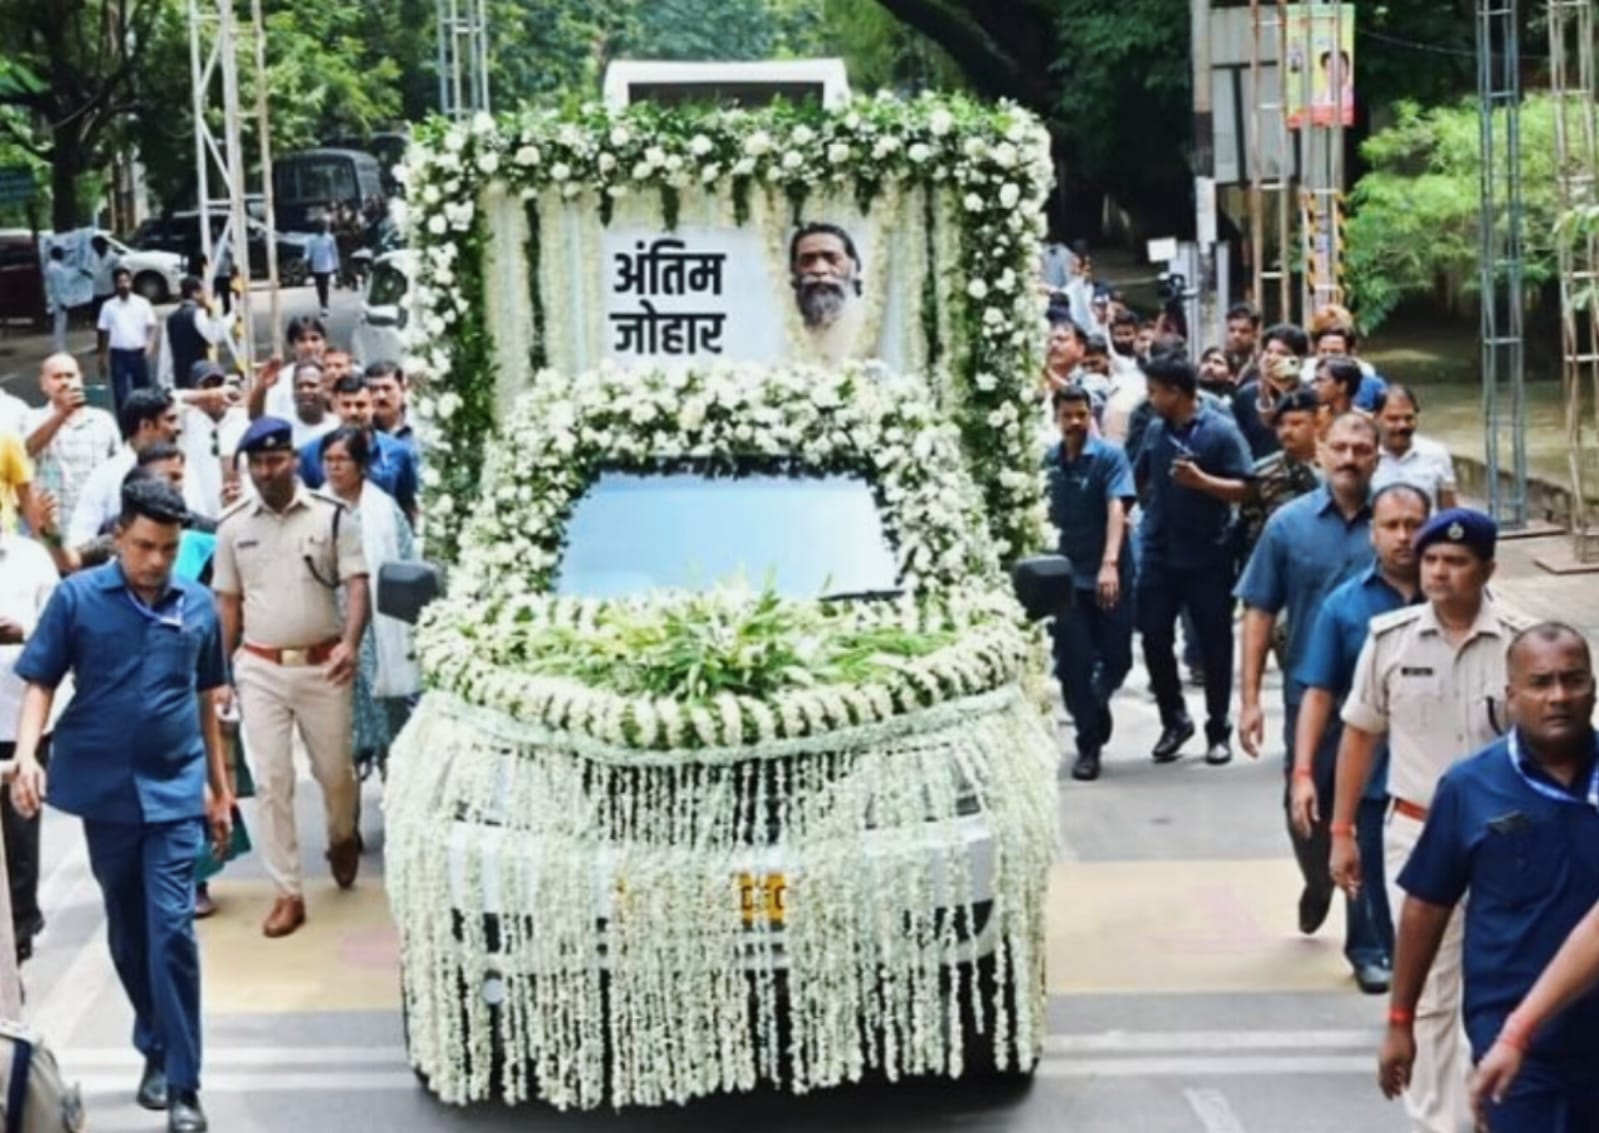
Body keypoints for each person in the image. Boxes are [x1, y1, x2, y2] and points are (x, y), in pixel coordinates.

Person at [9, 478, 232, 1133]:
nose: (157, 560)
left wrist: (218, 790)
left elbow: (206, 699)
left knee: (172, 933)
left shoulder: (196, 605)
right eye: (144, 546)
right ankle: (154, 1045)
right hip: (106, 793)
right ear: (118, 538)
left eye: (167, 548)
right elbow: (41, 680)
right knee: (130, 934)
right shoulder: (78, 599)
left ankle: (186, 1085)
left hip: (172, 792)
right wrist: (26, 754)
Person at [1329, 508, 1530, 1133]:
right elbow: (1359, 737)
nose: (1440, 572)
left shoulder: (1524, 644)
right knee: (1432, 990)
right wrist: (1340, 832)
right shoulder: (1390, 640)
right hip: (1418, 835)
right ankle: (1445, 1121)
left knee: (1504, 979)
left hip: (1511, 840)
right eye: (1432, 560)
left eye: (1457, 562)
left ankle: (1493, 1110)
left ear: (1487, 570)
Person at [1384, 624, 1599, 1131]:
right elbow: (1426, 906)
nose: (1559, 697)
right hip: (1517, 1047)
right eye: (1541, 683)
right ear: (1510, 696)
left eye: (1574, 681)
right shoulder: (1470, 786)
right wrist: (1400, 1020)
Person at [1237, 414, 1385, 982]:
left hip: (1383, 695)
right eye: (1340, 448)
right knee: (1306, 810)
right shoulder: (1288, 526)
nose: (1349, 458)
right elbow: (1259, 611)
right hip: (1311, 695)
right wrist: (1249, 698)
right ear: (1319, 452)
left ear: (1376, 456)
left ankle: (1366, 944)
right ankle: (1318, 876)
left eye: (1361, 449)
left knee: (1364, 810)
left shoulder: (1399, 522)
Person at [212, 416, 368, 938]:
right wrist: (220, 670)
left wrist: (350, 642)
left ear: (293, 460)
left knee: (335, 775)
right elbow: (228, 604)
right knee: (274, 780)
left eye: (274, 460)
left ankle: (343, 835)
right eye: (256, 463)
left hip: (324, 665)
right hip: (260, 667)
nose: (265, 471)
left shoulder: (332, 517)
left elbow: (357, 585)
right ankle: (288, 891)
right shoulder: (232, 526)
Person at [1291, 483, 1430, 996]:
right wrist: (1304, 773)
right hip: (1370, 771)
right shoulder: (1344, 607)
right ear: (1372, 534)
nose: (1404, 537)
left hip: (1438, 773)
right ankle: (1368, 948)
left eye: (1414, 525)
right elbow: (1319, 693)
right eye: (1392, 526)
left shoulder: (1453, 598)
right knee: (1363, 865)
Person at [1133, 351, 1254, 766]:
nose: (1150, 399)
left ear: (1177, 392)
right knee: (1152, 636)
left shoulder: (1221, 432)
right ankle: (1174, 719)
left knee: (1215, 645)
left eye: (1154, 391)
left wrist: (1202, 483)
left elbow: (1247, 487)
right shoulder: (1154, 431)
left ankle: (1218, 729)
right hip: (1160, 552)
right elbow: (1139, 477)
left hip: (1209, 554)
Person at [317, 427, 420, 783]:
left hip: (381, 630)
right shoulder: (315, 509)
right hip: (333, 630)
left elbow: (406, 563)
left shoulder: (384, 510)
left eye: (341, 459)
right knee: (342, 734)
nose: (333, 467)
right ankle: (347, 825)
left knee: (394, 729)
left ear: (361, 464)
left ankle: (397, 799)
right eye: (327, 460)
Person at [1044, 385, 1136, 782]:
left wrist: (1110, 563)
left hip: (1107, 573)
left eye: (1081, 415)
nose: (1075, 423)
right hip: (1065, 580)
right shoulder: (1046, 462)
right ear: (1057, 418)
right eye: (1068, 416)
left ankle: (1096, 704)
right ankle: (1088, 744)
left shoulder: (1110, 457)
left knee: (1118, 658)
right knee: (1073, 665)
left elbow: (1118, 506)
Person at [0, 523, 59, 963]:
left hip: (22, 718)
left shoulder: (30, 557)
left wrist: (22, 631)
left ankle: (21, 924)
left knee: (20, 828)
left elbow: (58, 630)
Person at [67, 387, 192, 547]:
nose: (178, 428)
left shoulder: (185, 469)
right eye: (170, 419)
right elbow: (80, 540)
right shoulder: (105, 477)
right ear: (146, 425)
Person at [297, 375, 419, 523]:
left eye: (360, 405)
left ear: (373, 406)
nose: (353, 412)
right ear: (335, 406)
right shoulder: (311, 452)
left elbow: (407, 504)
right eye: (346, 405)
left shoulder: (397, 452)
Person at [24, 352, 121, 528]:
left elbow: (117, 469)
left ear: (80, 379)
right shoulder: (31, 419)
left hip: (97, 525)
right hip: (52, 527)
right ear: (43, 384)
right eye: (57, 377)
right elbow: (27, 451)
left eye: (70, 375)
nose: (65, 382)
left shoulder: (102, 421)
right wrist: (61, 414)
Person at [1237, 386, 1322, 560]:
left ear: (1317, 423)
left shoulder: (1336, 464)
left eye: (1296, 423)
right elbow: (1252, 526)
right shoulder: (1263, 470)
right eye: (1281, 424)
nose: (1286, 431)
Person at [177, 362, 249, 521]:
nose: (215, 392)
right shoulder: (186, 418)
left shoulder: (241, 418)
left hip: (238, 510)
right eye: (207, 386)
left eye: (218, 385)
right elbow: (168, 398)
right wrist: (208, 395)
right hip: (198, 513)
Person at [789, 222, 865, 367]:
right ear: (794, 270)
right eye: (807, 261)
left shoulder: (869, 324)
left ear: (853, 267)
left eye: (831, 259)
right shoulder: (782, 329)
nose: (819, 269)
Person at [1372, 385, 1459, 512]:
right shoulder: (1364, 456)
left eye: (1408, 418)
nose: (1402, 425)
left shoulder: (1436, 454)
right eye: (1393, 419)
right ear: (1376, 418)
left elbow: (1449, 512)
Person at [1233, 323, 1310, 459]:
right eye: (1269, 352)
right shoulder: (1246, 395)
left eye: (1282, 353)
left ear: (1300, 360)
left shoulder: (1308, 396)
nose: (1272, 358)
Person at [97, 266, 159, 413]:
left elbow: (152, 326)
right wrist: (102, 357)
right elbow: (103, 332)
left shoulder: (142, 303)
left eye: (126, 281)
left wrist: (150, 344)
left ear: (131, 282)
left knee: (143, 392)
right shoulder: (108, 306)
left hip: (139, 352)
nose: (124, 285)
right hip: (119, 354)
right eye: (120, 282)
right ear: (115, 285)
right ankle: (125, 427)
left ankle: (145, 421)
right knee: (121, 394)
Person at [252, 316, 328, 421]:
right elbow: (263, 418)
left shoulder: (338, 372)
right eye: (302, 340)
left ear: (324, 342)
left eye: (314, 339)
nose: (309, 346)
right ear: (292, 346)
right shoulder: (279, 380)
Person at [162, 277, 223, 391]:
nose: (207, 296)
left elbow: (166, 353)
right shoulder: (198, 314)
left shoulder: (171, 318)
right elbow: (214, 336)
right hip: (200, 376)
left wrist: (165, 381)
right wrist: (227, 316)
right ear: (195, 293)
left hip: (180, 376)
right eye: (204, 291)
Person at [365, 360, 416, 453]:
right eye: (373, 389)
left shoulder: (420, 426)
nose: (381, 396)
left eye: (387, 388)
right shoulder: (362, 433)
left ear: (402, 389)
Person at [43, 245, 86, 354]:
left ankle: (58, 346)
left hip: (55, 298)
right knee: (60, 324)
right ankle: (59, 348)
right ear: (58, 254)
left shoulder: (51, 266)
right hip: (59, 299)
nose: (63, 255)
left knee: (59, 323)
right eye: (62, 253)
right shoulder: (56, 268)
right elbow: (58, 286)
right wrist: (62, 301)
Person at [1311, 354, 1365, 436]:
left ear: (1342, 386)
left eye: (1321, 381)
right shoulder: (1315, 419)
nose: (1315, 387)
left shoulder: (1364, 422)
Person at [306, 220, 340, 317]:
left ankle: (325, 306)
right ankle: (322, 303)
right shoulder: (312, 239)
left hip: (327, 267)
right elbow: (308, 251)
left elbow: (334, 252)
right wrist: (306, 260)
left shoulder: (330, 238)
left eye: (323, 227)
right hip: (316, 266)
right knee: (319, 287)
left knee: (324, 286)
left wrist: (336, 266)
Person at [1224, 302, 1261, 374]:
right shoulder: (1216, 365)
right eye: (1232, 330)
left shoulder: (1262, 366)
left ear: (1255, 334)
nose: (1236, 336)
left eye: (1244, 331)